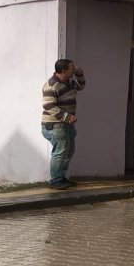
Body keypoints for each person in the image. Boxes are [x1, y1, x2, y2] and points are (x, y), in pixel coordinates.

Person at [42, 59, 86, 190]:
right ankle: (55, 181)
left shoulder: (70, 82)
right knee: (60, 152)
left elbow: (81, 86)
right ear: (63, 70)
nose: (74, 69)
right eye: (72, 68)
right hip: (55, 125)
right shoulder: (51, 85)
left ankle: (61, 178)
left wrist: (80, 74)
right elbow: (48, 105)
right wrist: (66, 117)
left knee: (69, 151)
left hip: (66, 124)